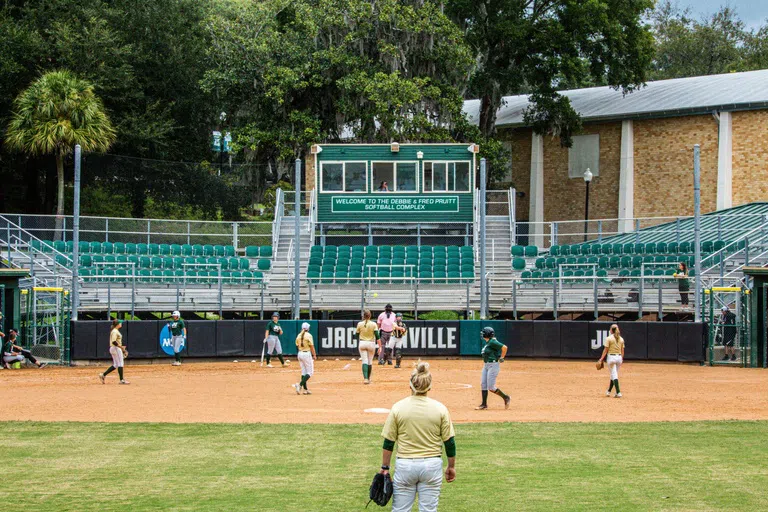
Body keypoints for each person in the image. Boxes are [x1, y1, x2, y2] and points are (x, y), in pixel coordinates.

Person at [379, 362, 456, 512]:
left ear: (410, 385)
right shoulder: (440, 409)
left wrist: (385, 468)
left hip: (405, 466)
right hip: (431, 466)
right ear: (430, 386)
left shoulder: (398, 408)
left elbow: (389, 442)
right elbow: (449, 442)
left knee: (400, 509)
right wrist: (451, 466)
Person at [476, 327, 511, 410]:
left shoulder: (492, 342)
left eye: (483, 333)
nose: (482, 334)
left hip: (493, 365)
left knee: (491, 387)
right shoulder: (488, 342)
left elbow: (504, 347)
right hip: (486, 365)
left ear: (487, 334)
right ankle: (484, 404)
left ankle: (506, 397)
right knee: (483, 384)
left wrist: (502, 357)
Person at [597, 323, 624, 398]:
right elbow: (622, 351)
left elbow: (605, 350)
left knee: (614, 374)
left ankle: (618, 392)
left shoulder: (609, 338)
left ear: (612, 330)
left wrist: (601, 359)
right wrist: (621, 359)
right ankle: (609, 391)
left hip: (611, 358)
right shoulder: (621, 339)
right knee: (613, 374)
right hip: (619, 358)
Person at [98, 319, 129, 384]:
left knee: (116, 364)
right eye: (120, 323)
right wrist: (121, 347)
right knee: (120, 363)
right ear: (118, 324)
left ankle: (103, 375)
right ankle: (122, 380)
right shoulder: (115, 331)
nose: (121, 324)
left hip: (114, 348)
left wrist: (121, 347)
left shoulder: (115, 331)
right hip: (115, 348)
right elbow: (114, 341)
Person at [357, 309, 379, 384]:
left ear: (363, 316)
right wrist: (380, 347)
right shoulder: (373, 324)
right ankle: (368, 378)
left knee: (364, 361)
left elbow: (356, 335)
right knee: (370, 362)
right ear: (370, 316)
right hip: (371, 343)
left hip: (362, 343)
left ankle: (365, 378)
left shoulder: (359, 324)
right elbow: (377, 336)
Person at [293, 322, 316, 395]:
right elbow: (312, 346)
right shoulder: (309, 335)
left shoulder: (299, 335)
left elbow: (296, 344)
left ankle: (305, 390)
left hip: (300, 353)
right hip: (306, 354)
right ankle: (299, 385)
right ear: (308, 328)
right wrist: (314, 355)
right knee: (310, 372)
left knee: (304, 372)